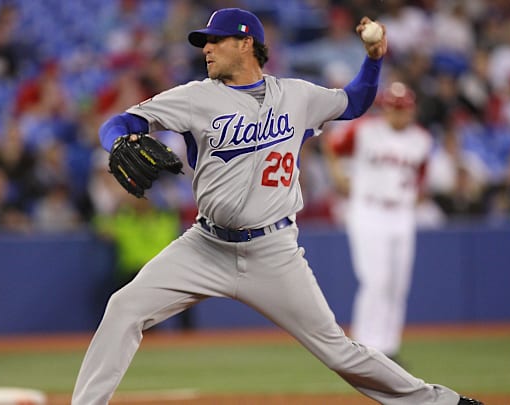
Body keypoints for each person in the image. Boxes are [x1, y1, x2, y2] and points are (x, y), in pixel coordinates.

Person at [72, 8, 483, 405]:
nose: (207, 49)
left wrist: (374, 60)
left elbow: (355, 101)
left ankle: (439, 403)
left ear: (246, 43)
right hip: (204, 246)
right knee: (124, 307)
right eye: (205, 43)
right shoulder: (196, 98)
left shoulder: (297, 95)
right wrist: (119, 142)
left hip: (273, 250)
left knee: (338, 350)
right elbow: (120, 123)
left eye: (216, 40)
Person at [324, 81, 432, 362]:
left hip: (402, 213)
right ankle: (367, 347)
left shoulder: (421, 138)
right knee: (375, 280)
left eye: (403, 109)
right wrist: (337, 175)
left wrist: (415, 196)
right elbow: (332, 144)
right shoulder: (366, 130)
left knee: (398, 284)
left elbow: (421, 175)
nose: (399, 114)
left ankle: (389, 347)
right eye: (394, 108)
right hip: (368, 209)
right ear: (384, 108)